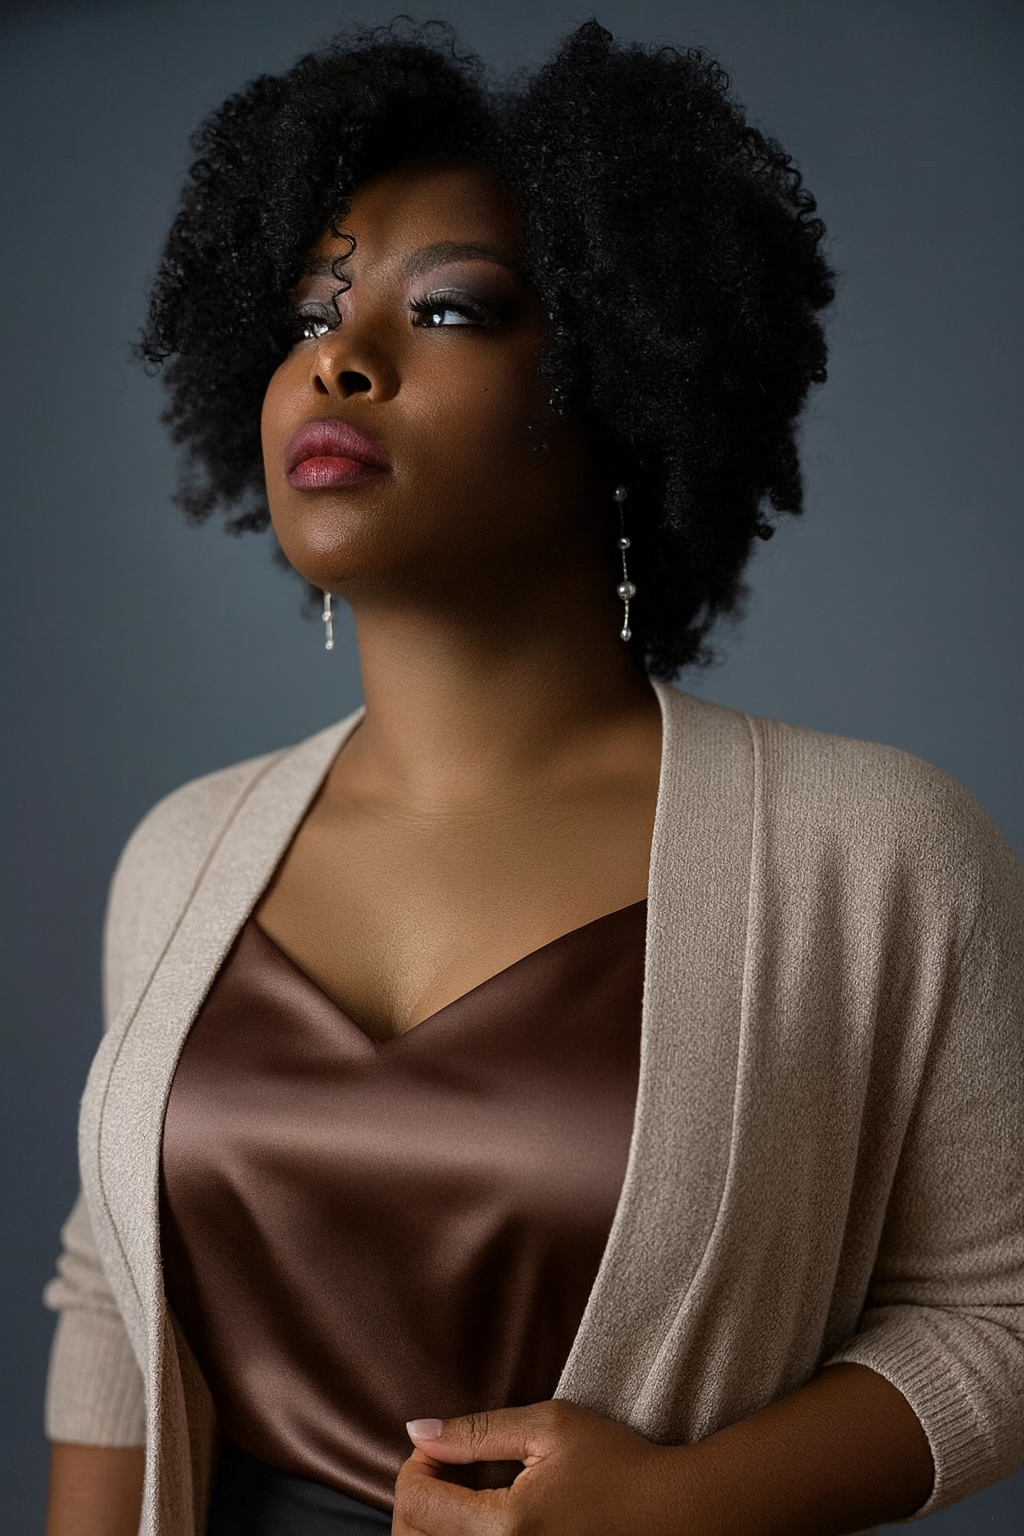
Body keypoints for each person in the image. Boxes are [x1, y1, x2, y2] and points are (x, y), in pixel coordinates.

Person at [42, 19, 1024, 1536]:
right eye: (308, 320)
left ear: (626, 389)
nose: (337, 360)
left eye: (451, 310)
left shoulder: (880, 852)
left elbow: (997, 1319)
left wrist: (680, 1504)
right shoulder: (184, 853)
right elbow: (116, 1301)